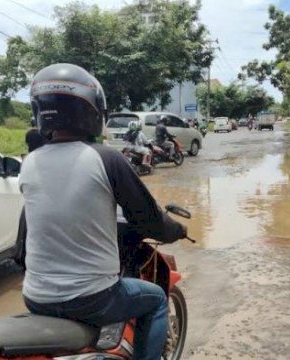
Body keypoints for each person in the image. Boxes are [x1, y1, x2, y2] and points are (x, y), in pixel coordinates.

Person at [19, 63, 187, 360]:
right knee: (156, 299)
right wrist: (178, 230)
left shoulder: (29, 163)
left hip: (35, 297)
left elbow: (33, 229)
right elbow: (149, 221)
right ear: (93, 111)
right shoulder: (105, 158)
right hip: (93, 299)